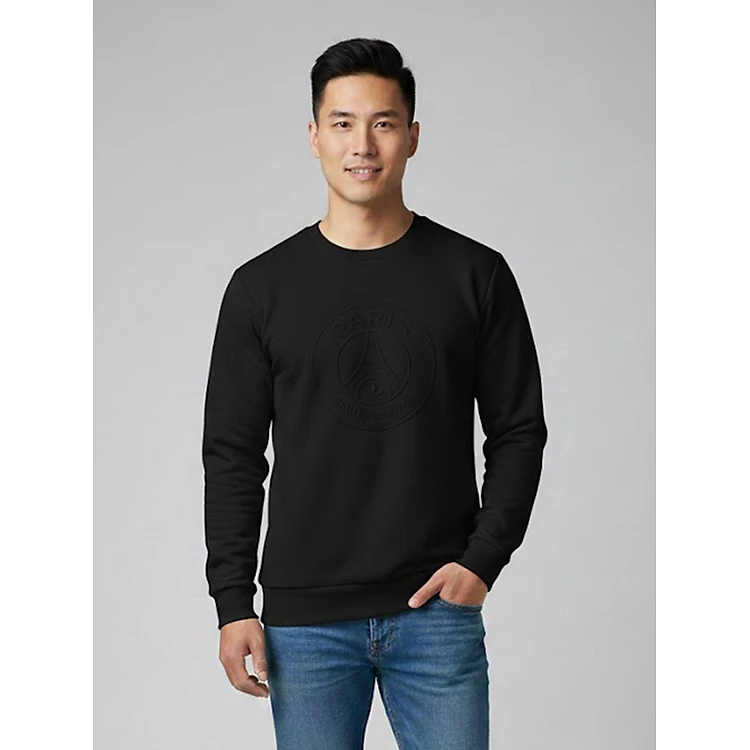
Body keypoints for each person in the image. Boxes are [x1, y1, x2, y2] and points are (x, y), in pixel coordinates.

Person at [201, 36, 548, 750]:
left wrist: (483, 560)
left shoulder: (475, 275)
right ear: (314, 137)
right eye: (343, 123)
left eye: (383, 123)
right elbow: (232, 455)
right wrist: (233, 603)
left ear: (412, 137)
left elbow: (518, 429)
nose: (363, 144)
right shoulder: (261, 289)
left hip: (436, 613)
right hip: (304, 625)